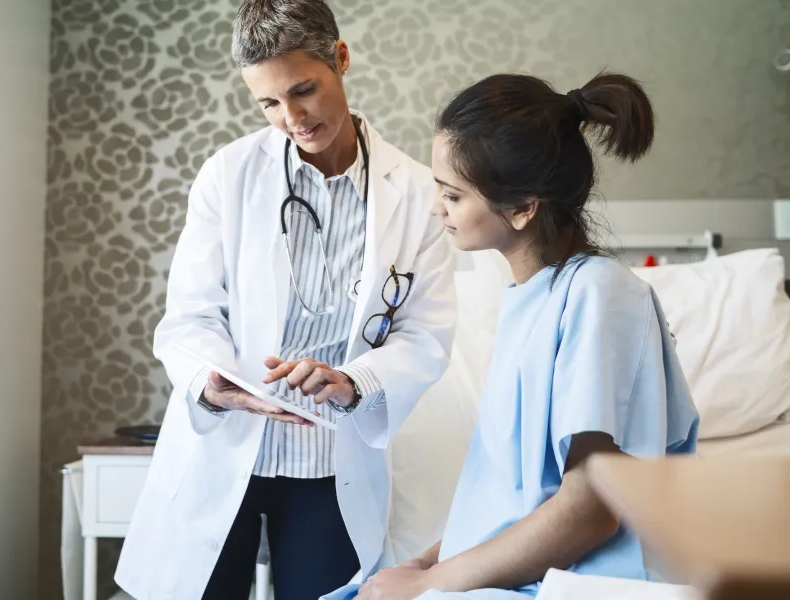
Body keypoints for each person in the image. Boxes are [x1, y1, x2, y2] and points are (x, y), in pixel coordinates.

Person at [114, 1, 456, 598]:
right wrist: (213, 382)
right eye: (269, 103)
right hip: (229, 442)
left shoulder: (419, 193)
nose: (292, 117)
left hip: (330, 461)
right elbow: (191, 314)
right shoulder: (229, 174)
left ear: (340, 60)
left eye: (304, 90)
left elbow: (425, 333)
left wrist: (354, 381)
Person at [325, 72, 700, 600]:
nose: (436, 207)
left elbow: (591, 513)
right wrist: (419, 566)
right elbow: (507, 505)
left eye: (452, 195)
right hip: (529, 572)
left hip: (587, 581)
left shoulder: (600, 294)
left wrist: (428, 584)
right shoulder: (530, 300)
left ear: (524, 207)